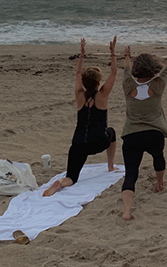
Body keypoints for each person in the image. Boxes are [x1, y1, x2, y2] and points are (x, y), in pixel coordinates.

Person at [44, 37, 118, 197]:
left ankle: (61, 183)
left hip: (78, 143)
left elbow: (77, 73)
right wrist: (112, 53)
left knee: (71, 177)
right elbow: (114, 72)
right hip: (98, 142)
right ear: (98, 83)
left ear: (84, 83)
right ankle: (110, 166)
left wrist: (82, 54)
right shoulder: (102, 95)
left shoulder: (79, 95)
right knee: (112, 132)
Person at [120, 45, 167, 220]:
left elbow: (125, 68)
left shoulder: (127, 84)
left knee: (131, 174)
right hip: (154, 133)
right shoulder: (157, 85)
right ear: (152, 69)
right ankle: (160, 183)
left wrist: (126, 56)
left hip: (131, 134)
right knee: (158, 156)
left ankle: (126, 210)